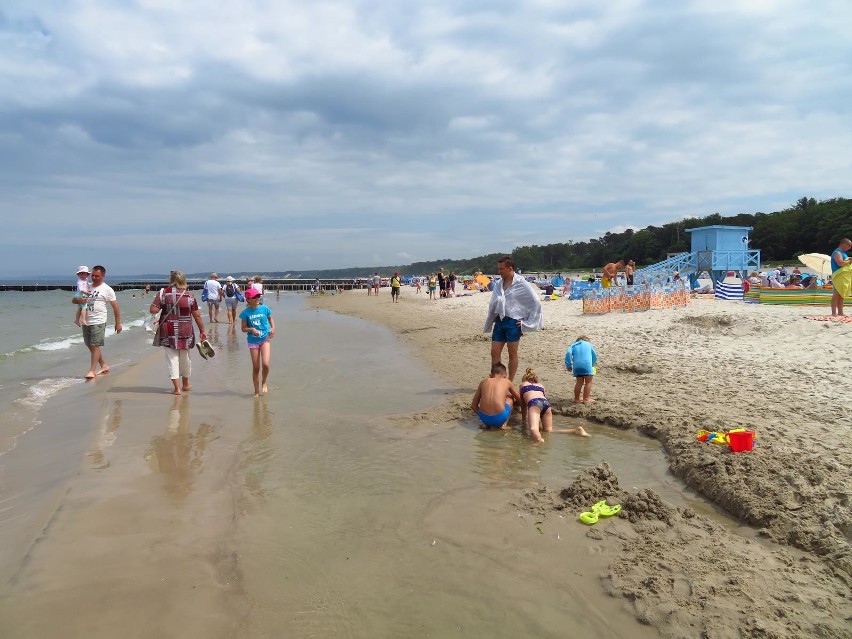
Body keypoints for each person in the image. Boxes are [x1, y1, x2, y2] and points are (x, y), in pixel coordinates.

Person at [483, 255, 543, 382]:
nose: (499, 272)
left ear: (510, 269)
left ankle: (509, 381)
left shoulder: (521, 283)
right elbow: (494, 302)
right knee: (494, 352)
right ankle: (497, 379)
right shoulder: (499, 284)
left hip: (513, 323)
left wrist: (527, 322)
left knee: (512, 353)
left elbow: (535, 302)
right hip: (500, 320)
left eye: (502, 269)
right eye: (498, 269)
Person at [149, 270, 207, 395]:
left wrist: (164, 308)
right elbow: (197, 315)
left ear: (171, 280)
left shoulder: (163, 293)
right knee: (185, 357)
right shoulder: (189, 295)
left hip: (168, 329)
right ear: (183, 280)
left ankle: (177, 389)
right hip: (185, 330)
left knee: (172, 359)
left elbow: (153, 310)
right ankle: (186, 384)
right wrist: (202, 331)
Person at [71, 265, 122, 379]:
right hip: (86, 320)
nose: (94, 277)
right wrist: (79, 300)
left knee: (95, 345)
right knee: (90, 345)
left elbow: (115, 307)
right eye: (93, 275)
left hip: (99, 320)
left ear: (103, 275)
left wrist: (118, 323)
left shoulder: (107, 289)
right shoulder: (86, 286)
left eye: (97, 276)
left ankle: (91, 371)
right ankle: (104, 365)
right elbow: (74, 300)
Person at [520, 367, 589, 442]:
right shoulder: (541, 386)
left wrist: (524, 419)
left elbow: (523, 404)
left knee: (533, 428)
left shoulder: (523, 385)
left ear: (524, 379)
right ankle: (575, 430)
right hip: (546, 404)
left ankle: (539, 440)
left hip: (534, 403)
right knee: (549, 431)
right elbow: (541, 401)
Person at [240, 288, 275, 397]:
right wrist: (252, 330)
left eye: (258, 296)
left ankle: (264, 382)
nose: (257, 299)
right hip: (253, 341)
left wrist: (273, 328)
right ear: (248, 299)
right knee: (256, 367)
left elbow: (270, 318)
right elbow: (243, 328)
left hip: (265, 339)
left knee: (265, 364)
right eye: (254, 297)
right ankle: (256, 391)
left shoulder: (264, 308)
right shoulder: (245, 313)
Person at [471, 362, 521, 430]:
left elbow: (473, 406)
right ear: (505, 375)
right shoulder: (506, 381)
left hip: (485, 419)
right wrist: (515, 404)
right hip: (500, 418)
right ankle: (504, 425)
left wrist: (481, 414)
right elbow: (520, 399)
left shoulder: (483, 382)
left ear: (490, 375)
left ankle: (487, 426)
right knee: (510, 397)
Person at [565, 335, 598, 404]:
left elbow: (568, 353)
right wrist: (592, 364)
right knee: (588, 382)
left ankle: (576, 398)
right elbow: (595, 355)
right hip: (587, 365)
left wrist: (569, 365)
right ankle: (586, 399)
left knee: (579, 382)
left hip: (576, 366)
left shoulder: (573, 345)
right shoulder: (589, 344)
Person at [831, 238, 852, 316]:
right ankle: (833, 312)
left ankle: (840, 312)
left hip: (842, 275)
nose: (850, 248)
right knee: (836, 294)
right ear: (844, 244)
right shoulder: (837, 252)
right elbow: (840, 263)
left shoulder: (842, 253)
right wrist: (849, 261)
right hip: (838, 275)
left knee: (841, 294)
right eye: (849, 245)